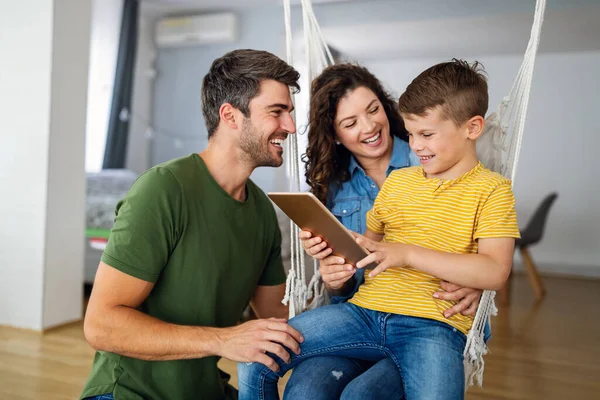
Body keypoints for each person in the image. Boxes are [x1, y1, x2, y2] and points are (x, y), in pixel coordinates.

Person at [237, 59, 520, 400]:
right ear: (336, 135)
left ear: (473, 128)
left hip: (434, 324)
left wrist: (411, 256)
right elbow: (368, 252)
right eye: (412, 133)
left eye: (425, 135)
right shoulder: (397, 182)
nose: (415, 145)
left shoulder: (492, 189)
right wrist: (338, 255)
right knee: (257, 354)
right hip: (364, 312)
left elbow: (494, 270)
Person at [80, 49, 305, 400]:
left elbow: (275, 314)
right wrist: (225, 339)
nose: (290, 126)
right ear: (230, 116)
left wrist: (333, 281)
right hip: (129, 392)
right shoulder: (163, 190)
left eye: (290, 113)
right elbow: (100, 325)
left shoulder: (262, 211)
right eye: (277, 112)